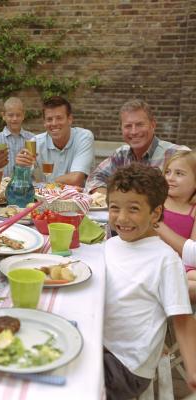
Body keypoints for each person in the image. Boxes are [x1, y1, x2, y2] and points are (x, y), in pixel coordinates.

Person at [104, 162, 193, 399]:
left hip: (126, 366)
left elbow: (182, 318)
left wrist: (193, 367)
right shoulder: (112, 244)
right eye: (114, 207)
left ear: (155, 213)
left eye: (133, 209)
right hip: (101, 345)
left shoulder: (165, 260)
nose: (122, 218)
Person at [86, 99, 189, 194]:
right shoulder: (122, 154)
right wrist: (104, 197)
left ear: (153, 125)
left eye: (140, 124)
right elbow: (94, 177)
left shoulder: (176, 154)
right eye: (128, 126)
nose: (134, 131)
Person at [15, 96, 94, 186]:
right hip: (44, 199)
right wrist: (20, 167)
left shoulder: (83, 137)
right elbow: (20, 182)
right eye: (49, 119)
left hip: (76, 198)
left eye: (59, 118)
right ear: (44, 123)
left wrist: (46, 185)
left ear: (70, 119)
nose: (54, 123)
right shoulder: (35, 143)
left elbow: (76, 179)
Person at [154, 150, 196, 303]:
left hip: (182, 265)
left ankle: (164, 291)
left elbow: (193, 254)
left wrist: (159, 226)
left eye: (179, 173)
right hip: (156, 259)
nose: (170, 178)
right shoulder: (158, 201)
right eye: (168, 172)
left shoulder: (194, 210)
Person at [0, 97, 34, 177]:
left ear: (23, 115)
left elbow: (37, 166)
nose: (14, 119)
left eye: (18, 115)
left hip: (26, 185)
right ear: (3, 116)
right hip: (3, 186)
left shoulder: (32, 139)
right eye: (10, 115)